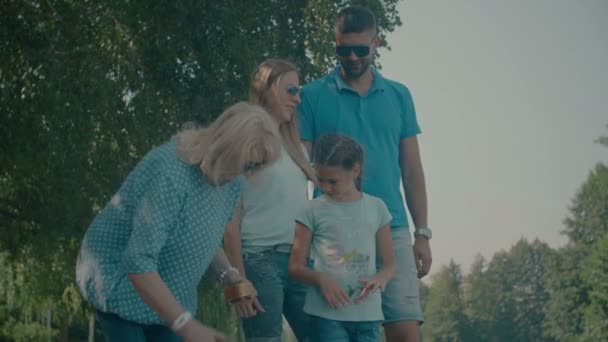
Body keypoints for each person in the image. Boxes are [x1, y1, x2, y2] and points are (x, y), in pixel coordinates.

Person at [75, 102, 282, 342]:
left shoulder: (231, 184)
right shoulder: (171, 174)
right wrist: (187, 326)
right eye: (249, 165)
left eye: (257, 167)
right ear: (228, 148)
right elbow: (138, 261)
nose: (248, 174)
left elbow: (204, 236)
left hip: (169, 295)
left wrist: (230, 278)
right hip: (120, 283)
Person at [297, 6, 432, 341]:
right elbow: (301, 167)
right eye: (343, 50)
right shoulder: (312, 96)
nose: (352, 57)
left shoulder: (399, 96)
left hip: (393, 228)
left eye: (361, 49)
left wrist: (423, 233)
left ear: (377, 43)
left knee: (405, 331)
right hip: (334, 233)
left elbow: (412, 168)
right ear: (335, 45)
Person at [223, 58, 317, 342]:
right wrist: (238, 282)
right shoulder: (243, 141)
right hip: (260, 261)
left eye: (299, 92)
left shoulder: (297, 147)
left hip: (300, 263)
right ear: (267, 88)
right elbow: (230, 221)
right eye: (291, 90)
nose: (298, 99)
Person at [288, 133, 396, 342]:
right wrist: (321, 278)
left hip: (368, 318)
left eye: (333, 181)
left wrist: (380, 278)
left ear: (355, 170)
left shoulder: (377, 208)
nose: (325, 187)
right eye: (320, 179)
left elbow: (390, 265)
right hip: (326, 318)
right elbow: (295, 268)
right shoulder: (311, 210)